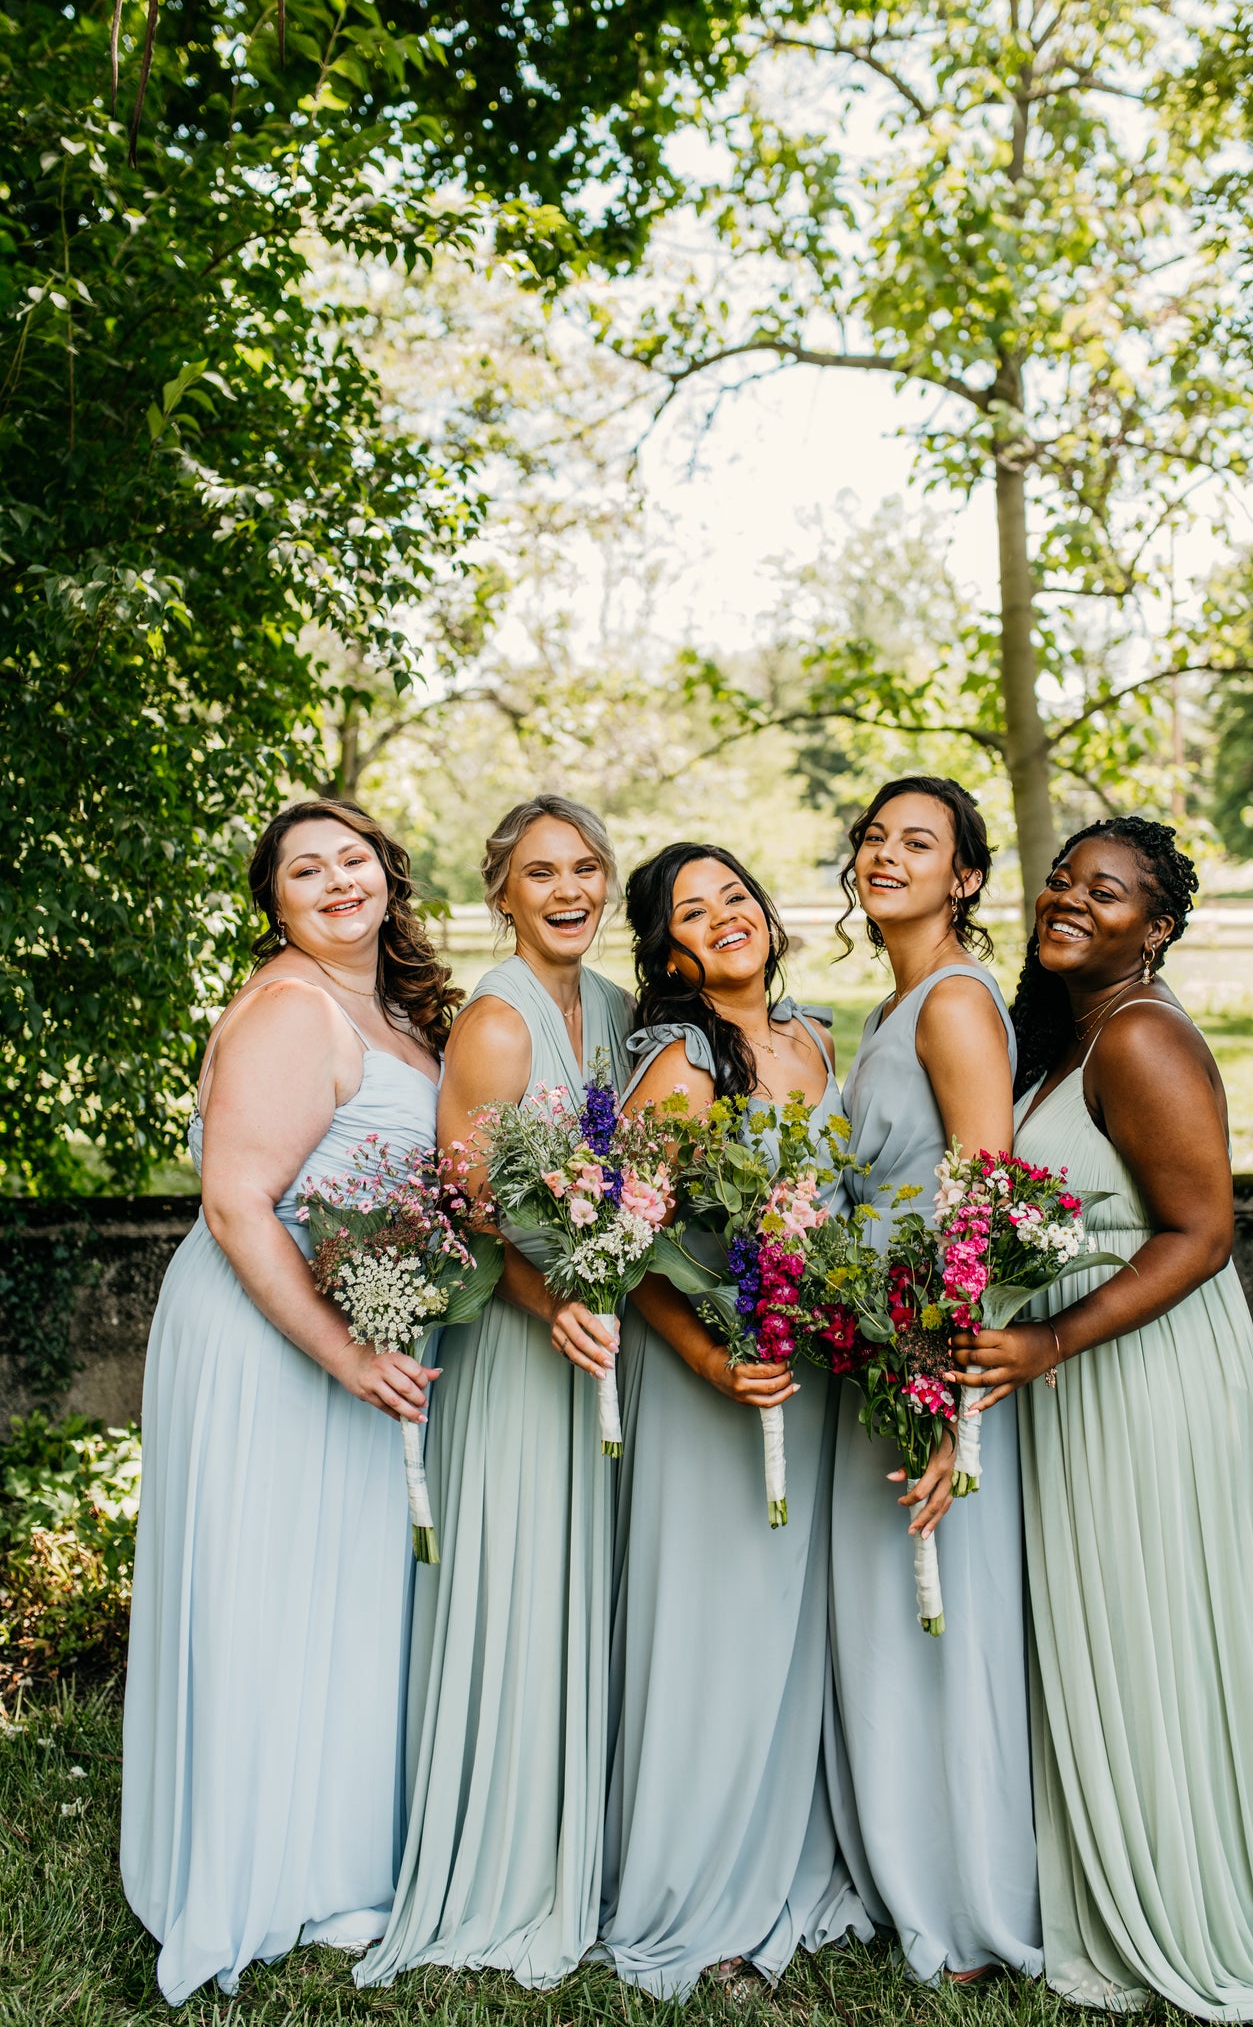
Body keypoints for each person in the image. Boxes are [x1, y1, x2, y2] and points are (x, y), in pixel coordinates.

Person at [954, 815, 1253, 2021]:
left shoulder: (1142, 1035)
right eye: (1059, 880)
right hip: (1074, 1359)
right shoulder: (1067, 1034)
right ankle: (1107, 1864)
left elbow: (1200, 1232)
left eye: (1101, 894)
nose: (1066, 900)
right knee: (1105, 1615)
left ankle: (1181, 1886)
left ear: (1153, 930)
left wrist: (1050, 1334)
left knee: (1146, 1611)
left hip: (1134, 1364)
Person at [122, 798, 454, 2005]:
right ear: (274, 901)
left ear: (386, 872)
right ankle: (263, 1876)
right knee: (271, 1592)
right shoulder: (289, 1006)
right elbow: (236, 1203)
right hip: (271, 1332)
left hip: (341, 1320)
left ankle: (333, 1854)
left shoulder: (390, 1006)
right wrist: (343, 1351)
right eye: (304, 869)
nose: (335, 881)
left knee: (342, 1591)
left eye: (352, 858)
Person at [356, 794, 633, 1991]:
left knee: (593, 1585)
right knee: (519, 1587)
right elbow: (469, 1212)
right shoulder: (495, 1023)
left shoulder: (617, 1010)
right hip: (522, 1350)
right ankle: (507, 1863)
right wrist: (551, 1300)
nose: (565, 889)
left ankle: (592, 1843)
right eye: (539, 873)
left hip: (607, 1348)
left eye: (583, 868)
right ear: (501, 895)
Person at [599, 844, 866, 1997]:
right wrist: (710, 1355)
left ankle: (779, 1858)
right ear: (668, 951)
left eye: (736, 896)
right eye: (693, 912)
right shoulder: (680, 1062)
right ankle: (691, 1899)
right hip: (714, 1379)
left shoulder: (809, 1035)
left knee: (784, 1629)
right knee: (709, 1631)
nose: (727, 917)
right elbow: (626, 1248)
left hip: (801, 1378)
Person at [829, 775, 1042, 1984]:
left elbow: (981, 1194)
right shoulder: (893, 1002)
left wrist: (945, 1396)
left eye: (919, 843)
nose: (886, 856)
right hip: (880, 1341)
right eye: (872, 839)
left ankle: (966, 1912)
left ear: (964, 876)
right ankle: (906, 1871)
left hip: (933, 1359)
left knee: (941, 1630)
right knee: (900, 1628)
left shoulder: (953, 1003)